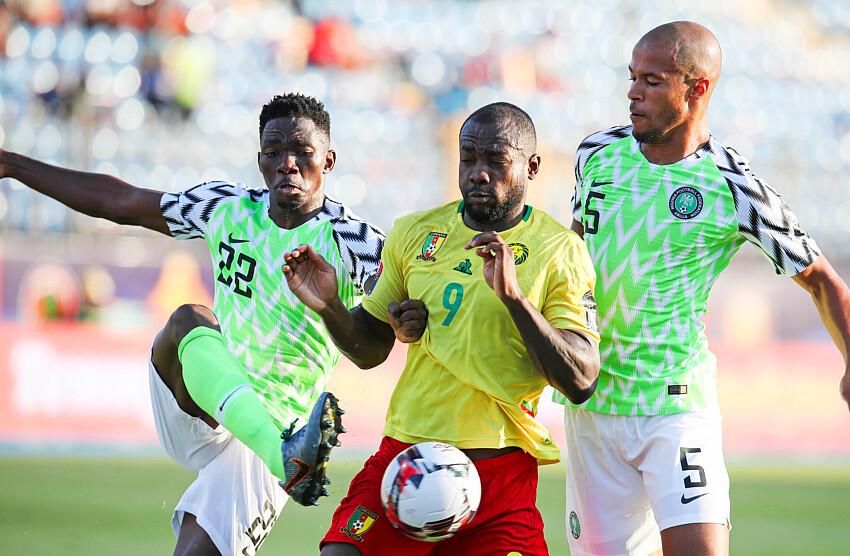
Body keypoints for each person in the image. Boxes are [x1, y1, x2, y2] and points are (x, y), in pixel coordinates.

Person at [0, 93, 385, 555]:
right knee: (187, 320)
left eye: (302, 152)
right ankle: (285, 459)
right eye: (274, 151)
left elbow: (375, 346)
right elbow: (122, 200)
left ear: (329, 160)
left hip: (273, 429)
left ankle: (281, 456)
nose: (288, 163)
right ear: (260, 159)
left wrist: (388, 314)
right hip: (204, 406)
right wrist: (11, 165)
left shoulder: (357, 242)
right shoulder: (226, 207)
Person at [559, 21, 850, 556]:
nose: (632, 92)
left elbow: (824, 281)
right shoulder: (596, 154)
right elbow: (572, 260)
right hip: (592, 405)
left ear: (696, 89)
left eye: (651, 80)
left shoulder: (734, 188)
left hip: (675, 403)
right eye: (631, 77)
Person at [281, 101, 601, 555]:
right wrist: (331, 306)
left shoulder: (559, 250)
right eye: (468, 158)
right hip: (407, 456)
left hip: (500, 474)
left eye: (496, 160)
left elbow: (582, 379)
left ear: (531, 167)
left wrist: (514, 299)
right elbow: (370, 349)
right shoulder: (415, 233)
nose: (478, 173)